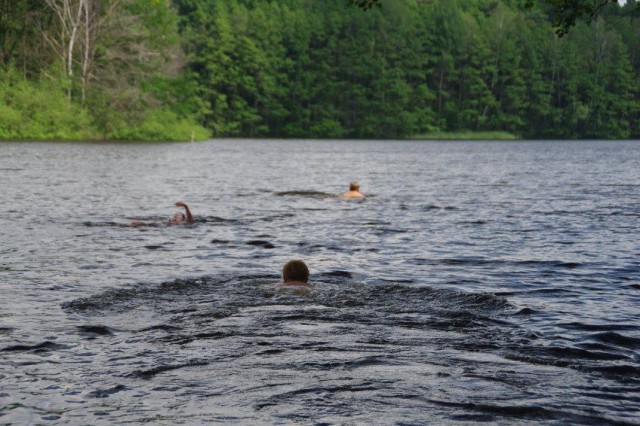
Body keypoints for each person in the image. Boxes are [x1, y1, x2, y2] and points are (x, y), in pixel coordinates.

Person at [130, 201, 195, 227]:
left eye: (178, 216)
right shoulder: (165, 223)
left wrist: (186, 206)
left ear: (182, 219)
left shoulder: (183, 224)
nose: (175, 217)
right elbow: (150, 224)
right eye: (174, 216)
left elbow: (191, 220)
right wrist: (140, 223)